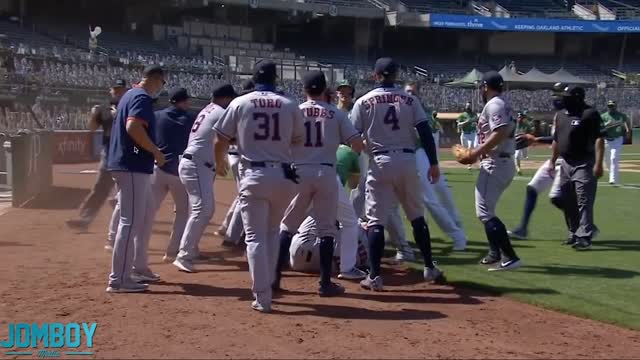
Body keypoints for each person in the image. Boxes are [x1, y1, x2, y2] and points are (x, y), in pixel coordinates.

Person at [214, 60, 305, 313]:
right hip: (283, 175)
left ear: (253, 79)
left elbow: (220, 138)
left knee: (254, 238)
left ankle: (263, 296)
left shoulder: (240, 102)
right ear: (276, 79)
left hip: (254, 173)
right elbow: (300, 141)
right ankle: (270, 284)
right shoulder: (289, 104)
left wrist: (218, 161)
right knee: (272, 232)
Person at [352, 57, 442, 292]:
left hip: (380, 161)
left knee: (375, 221)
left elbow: (353, 137)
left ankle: (374, 276)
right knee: (416, 216)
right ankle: (430, 267)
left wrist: (365, 146)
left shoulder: (364, 101)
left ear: (375, 75)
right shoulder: (410, 99)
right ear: (395, 75)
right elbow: (424, 132)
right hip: (407, 159)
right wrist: (433, 163)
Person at [274, 71, 363, 297]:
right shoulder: (336, 113)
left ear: (304, 90)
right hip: (326, 172)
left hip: (299, 171)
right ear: (325, 89)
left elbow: (281, 143)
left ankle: (274, 278)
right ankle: (325, 283)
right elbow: (356, 143)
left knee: (287, 226)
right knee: (327, 230)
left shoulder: (294, 111)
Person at [106, 65, 166, 293]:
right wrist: (156, 151)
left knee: (147, 213)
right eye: (162, 82)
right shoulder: (140, 96)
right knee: (129, 222)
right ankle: (119, 279)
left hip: (129, 165)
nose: (161, 87)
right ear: (156, 79)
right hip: (131, 165)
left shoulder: (130, 94)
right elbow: (133, 126)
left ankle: (138, 267)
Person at [456, 71, 521, 271]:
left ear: (485, 86)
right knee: (487, 211)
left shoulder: (494, 104)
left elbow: (500, 132)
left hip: (496, 163)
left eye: (481, 87)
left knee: (484, 212)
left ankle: (510, 257)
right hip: (500, 161)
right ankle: (494, 253)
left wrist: (476, 153)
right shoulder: (502, 103)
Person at [173, 84, 238, 273]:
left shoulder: (209, 109)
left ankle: (190, 249)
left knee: (202, 209)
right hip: (197, 165)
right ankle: (184, 254)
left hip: (196, 164)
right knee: (203, 209)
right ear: (225, 98)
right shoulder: (219, 112)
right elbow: (230, 138)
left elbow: (227, 139)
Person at [136, 88, 195, 278]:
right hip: (178, 171)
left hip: (157, 168)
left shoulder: (157, 115)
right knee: (183, 212)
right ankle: (172, 251)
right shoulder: (190, 118)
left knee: (147, 211)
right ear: (183, 102)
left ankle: (137, 252)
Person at [405, 81, 467, 251]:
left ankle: (457, 234)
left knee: (431, 198)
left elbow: (430, 139)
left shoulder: (422, 112)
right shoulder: (410, 110)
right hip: (415, 156)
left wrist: (433, 163)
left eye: (413, 92)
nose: (410, 95)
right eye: (407, 92)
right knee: (427, 198)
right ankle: (418, 238)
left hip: (421, 156)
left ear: (418, 94)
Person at [66, 80, 127, 234]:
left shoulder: (130, 106)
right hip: (108, 151)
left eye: (121, 89)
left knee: (128, 188)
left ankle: (124, 214)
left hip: (126, 152)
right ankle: (85, 219)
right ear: (111, 90)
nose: (118, 92)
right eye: (116, 89)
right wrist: (93, 116)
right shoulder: (103, 108)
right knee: (100, 187)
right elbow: (92, 128)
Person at [549, 85, 605, 250]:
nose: (563, 99)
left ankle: (585, 235)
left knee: (584, 200)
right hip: (566, 162)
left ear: (578, 98)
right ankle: (573, 232)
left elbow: (599, 139)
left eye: (568, 97)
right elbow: (556, 140)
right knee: (568, 200)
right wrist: (553, 160)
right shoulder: (560, 115)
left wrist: (598, 163)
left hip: (585, 162)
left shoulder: (590, 113)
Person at [217, 79, 255, 247]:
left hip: (235, 155)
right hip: (241, 156)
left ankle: (227, 227)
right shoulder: (248, 105)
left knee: (243, 195)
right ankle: (232, 236)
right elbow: (226, 136)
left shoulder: (239, 104)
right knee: (245, 197)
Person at [600, 100, 630, 185]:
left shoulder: (621, 115)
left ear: (616, 106)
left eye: (612, 106)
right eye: (609, 106)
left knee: (613, 158)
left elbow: (626, 121)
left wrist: (627, 130)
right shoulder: (604, 116)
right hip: (607, 140)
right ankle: (613, 176)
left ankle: (613, 179)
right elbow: (599, 127)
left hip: (617, 139)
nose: (611, 107)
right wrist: (607, 124)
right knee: (607, 161)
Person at [457, 102, 478, 170]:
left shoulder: (474, 114)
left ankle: (469, 164)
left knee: (470, 148)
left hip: (472, 134)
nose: (468, 107)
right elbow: (458, 124)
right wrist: (466, 122)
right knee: (465, 149)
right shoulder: (462, 115)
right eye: (467, 106)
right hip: (464, 134)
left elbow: (476, 121)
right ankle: (466, 159)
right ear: (465, 106)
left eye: (469, 106)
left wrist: (475, 124)